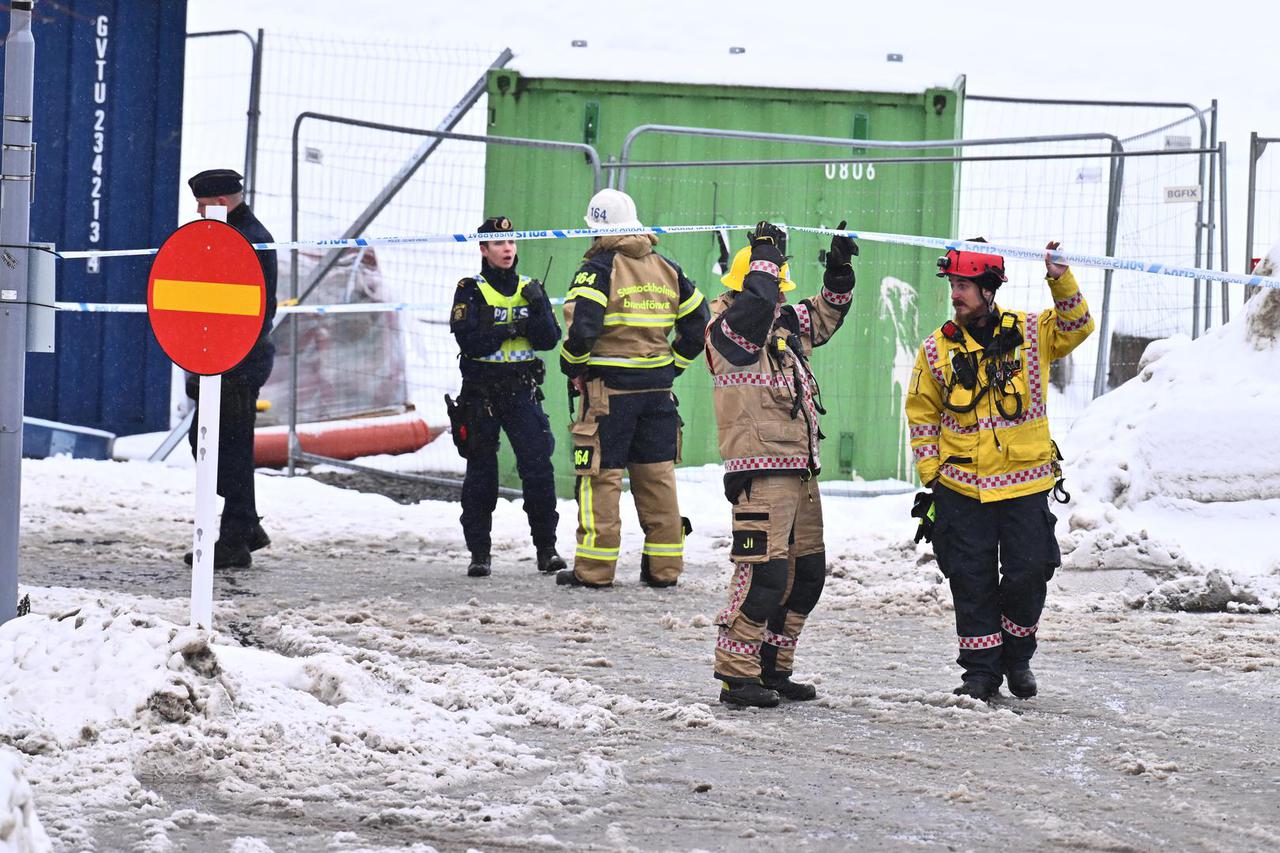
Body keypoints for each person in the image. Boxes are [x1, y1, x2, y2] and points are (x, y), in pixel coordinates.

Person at [905, 239, 1094, 702]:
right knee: (970, 580)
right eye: (953, 284)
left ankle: (1017, 655)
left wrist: (1059, 276)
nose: (955, 294)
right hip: (961, 488)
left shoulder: (1032, 332)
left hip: (1025, 485)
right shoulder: (936, 349)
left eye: (964, 284)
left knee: (1031, 571)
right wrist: (933, 474)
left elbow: (1078, 325)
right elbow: (922, 414)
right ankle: (981, 673)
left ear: (989, 289)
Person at [705, 220, 857, 708]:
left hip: (799, 467)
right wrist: (766, 254)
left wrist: (838, 273)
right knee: (763, 575)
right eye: (770, 285)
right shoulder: (725, 326)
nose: (777, 299)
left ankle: (773, 667)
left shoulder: (780, 322)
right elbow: (751, 318)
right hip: (759, 470)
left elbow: (824, 316)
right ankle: (736, 672)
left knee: (807, 574)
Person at [557, 188, 710, 588]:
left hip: (609, 396)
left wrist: (570, 366)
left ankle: (594, 570)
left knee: (601, 480)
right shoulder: (668, 268)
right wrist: (671, 366)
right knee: (657, 480)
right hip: (658, 397)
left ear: (596, 228)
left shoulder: (598, 270)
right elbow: (698, 324)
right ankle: (664, 569)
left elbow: (583, 328)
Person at [448, 216, 565, 578]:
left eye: (512, 242)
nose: (508, 249)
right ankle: (480, 553)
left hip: (520, 390)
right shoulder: (470, 289)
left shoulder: (531, 287)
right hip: (481, 392)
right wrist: (515, 327)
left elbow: (548, 340)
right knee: (482, 473)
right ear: (484, 249)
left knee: (538, 468)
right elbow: (470, 340)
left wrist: (540, 308)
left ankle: (547, 549)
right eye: (499, 244)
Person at [182, 168, 276, 570]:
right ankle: (246, 525)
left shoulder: (245, 239)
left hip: (236, 361)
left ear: (220, 203)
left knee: (228, 448)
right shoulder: (238, 234)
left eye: (203, 206)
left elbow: (249, 309)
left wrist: (221, 357)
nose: (199, 213)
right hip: (228, 359)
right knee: (215, 444)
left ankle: (237, 536)